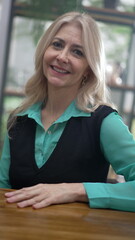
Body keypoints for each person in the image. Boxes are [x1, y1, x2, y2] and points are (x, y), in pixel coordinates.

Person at [0, 11, 135, 212]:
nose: (62, 57)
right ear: (44, 50)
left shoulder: (104, 122)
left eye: (78, 52)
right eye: (57, 44)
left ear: (89, 69)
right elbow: (3, 191)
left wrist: (76, 190)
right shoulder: (19, 119)